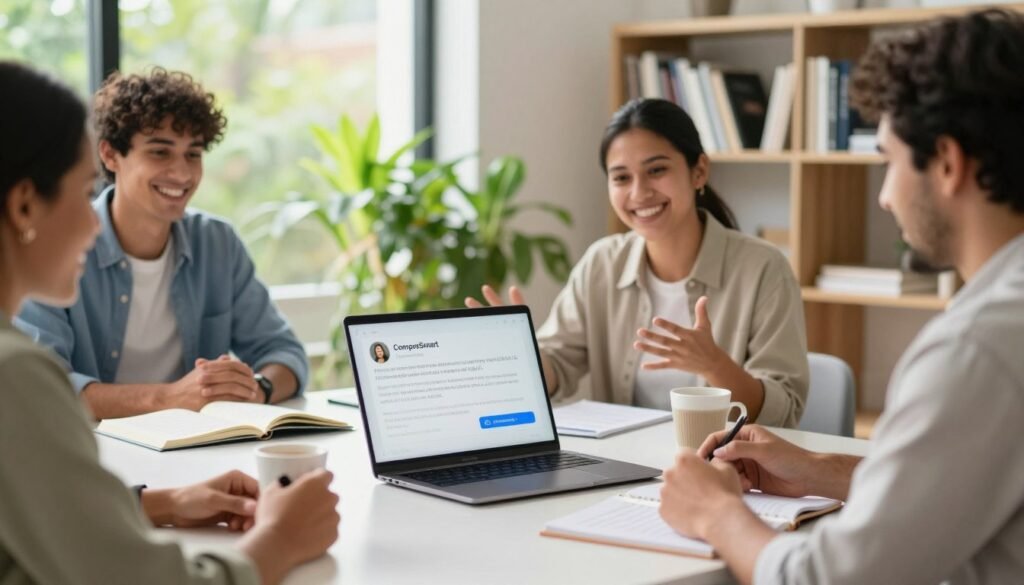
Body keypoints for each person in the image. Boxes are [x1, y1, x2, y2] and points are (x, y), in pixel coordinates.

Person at [657, 9, 1024, 584]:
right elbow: (962, 481)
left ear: (947, 163)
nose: (883, 197)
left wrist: (715, 513)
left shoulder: (978, 348)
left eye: (888, 161)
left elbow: (829, 579)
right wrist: (821, 469)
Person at [0, 60, 338, 585]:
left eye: (193, 154)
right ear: (25, 204)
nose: (92, 221)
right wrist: (280, 540)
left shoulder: (216, 243)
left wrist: (165, 501)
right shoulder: (15, 374)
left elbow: (38, 517)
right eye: (80, 190)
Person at [468, 98, 808, 426]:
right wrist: (516, 352)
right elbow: (558, 364)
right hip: (627, 468)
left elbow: (784, 409)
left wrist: (715, 365)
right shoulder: (601, 263)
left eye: (656, 170)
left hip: (725, 470)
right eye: (621, 178)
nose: (639, 192)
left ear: (699, 171)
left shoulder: (764, 268)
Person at [15, 67, 308, 420]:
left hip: (196, 452)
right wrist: (169, 397)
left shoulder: (217, 243)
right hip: (97, 453)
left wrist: (256, 389)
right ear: (109, 155)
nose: (182, 173)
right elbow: (47, 388)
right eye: (160, 152)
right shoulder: (61, 244)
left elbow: (284, 352)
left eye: (193, 154)